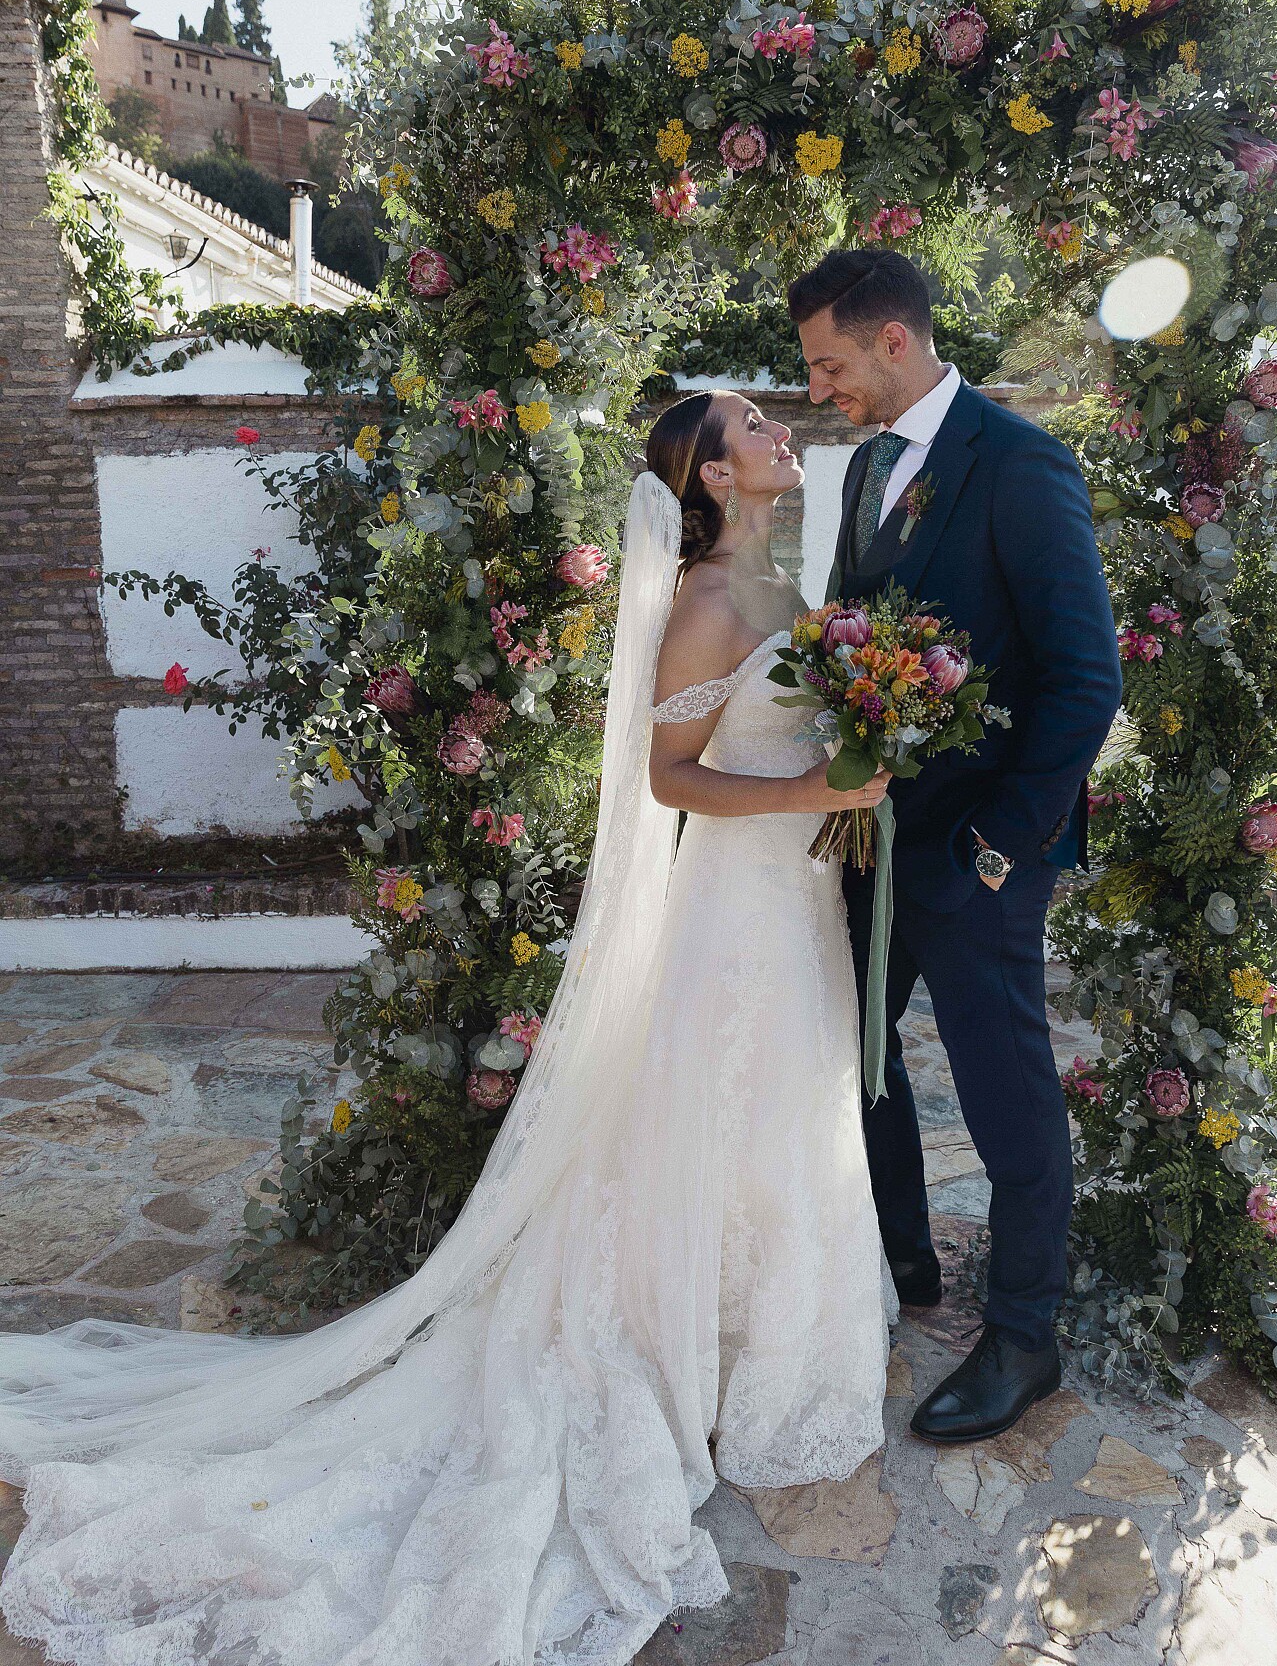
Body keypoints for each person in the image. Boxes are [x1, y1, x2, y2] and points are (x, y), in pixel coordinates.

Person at [0, 391, 894, 1666]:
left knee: (780, 1111)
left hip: (798, 899)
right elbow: (669, 777)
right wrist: (817, 784)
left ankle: (757, 1332)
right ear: (707, 473)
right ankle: (684, 1333)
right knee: (727, 1100)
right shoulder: (703, 604)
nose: (777, 432)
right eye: (751, 424)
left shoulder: (791, 591)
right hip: (734, 910)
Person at [791, 246, 1123, 1445]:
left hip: (977, 854)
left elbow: (1087, 682)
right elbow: (847, 638)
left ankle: (1024, 1334)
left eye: (830, 364)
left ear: (893, 340)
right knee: (859, 1052)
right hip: (870, 838)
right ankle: (901, 1256)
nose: (820, 389)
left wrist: (999, 841)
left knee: (1004, 1091)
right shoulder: (865, 466)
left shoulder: (1024, 465)